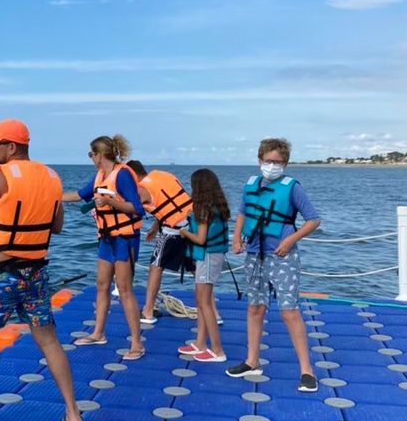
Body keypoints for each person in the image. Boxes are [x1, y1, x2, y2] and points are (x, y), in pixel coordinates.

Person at [0, 119, 83, 421]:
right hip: (35, 276)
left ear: (12, 146)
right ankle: (74, 414)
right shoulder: (52, 177)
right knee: (49, 341)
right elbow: (57, 227)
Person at [226, 137, 321, 392]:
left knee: (289, 310)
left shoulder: (293, 188)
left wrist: (291, 239)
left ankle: (306, 370)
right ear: (260, 160)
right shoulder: (251, 185)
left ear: (285, 163)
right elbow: (243, 212)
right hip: (254, 253)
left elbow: (313, 220)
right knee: (255, 307)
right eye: (268, 161)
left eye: (278, 162)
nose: (272, 165)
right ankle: (252, 360)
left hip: (282, 256)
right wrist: (236, 238)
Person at [63, 135, 145, 361]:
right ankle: (98, 333)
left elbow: (137, 209)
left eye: (91, 154)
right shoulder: (100, 176)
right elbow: (79, 195)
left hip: (125, 239)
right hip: (106, 238)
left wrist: (110, 202)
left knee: (125, 289)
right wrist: (51, 196)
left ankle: (137, 342)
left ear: (99, 154)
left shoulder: (123, 175)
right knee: (101, 285)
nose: (91, 158)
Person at [177, 169, 230, 362]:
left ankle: (217, 350)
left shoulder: (202, 209)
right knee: (201, 300)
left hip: (208, 257)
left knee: (205, 302)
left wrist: (184, 232)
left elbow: (200, 239)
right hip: (212, 256)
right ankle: (200, 343)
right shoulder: (216, 206)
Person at [137, 167, 192, 323]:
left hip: (172, 231)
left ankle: (148, 312)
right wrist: (155, 227)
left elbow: (133, 207)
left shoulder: (143, 188)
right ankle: (213, 313)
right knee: (195, 268)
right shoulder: (164, 177)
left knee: (156, 266)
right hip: (190, 225)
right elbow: (166, 203)